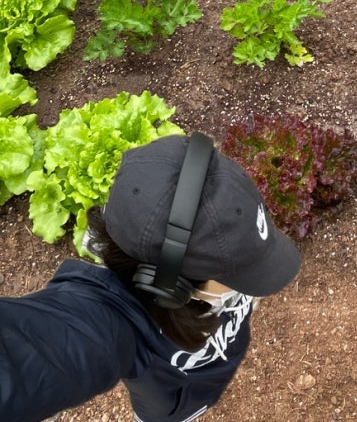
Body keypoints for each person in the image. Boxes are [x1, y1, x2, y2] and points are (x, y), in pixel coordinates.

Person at [0, 132, 301, 422]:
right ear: (171, 287)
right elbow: (29, 353)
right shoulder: (111, 324)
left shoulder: (215, 223)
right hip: (171, 407)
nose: (246, 289)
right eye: (236, 276)